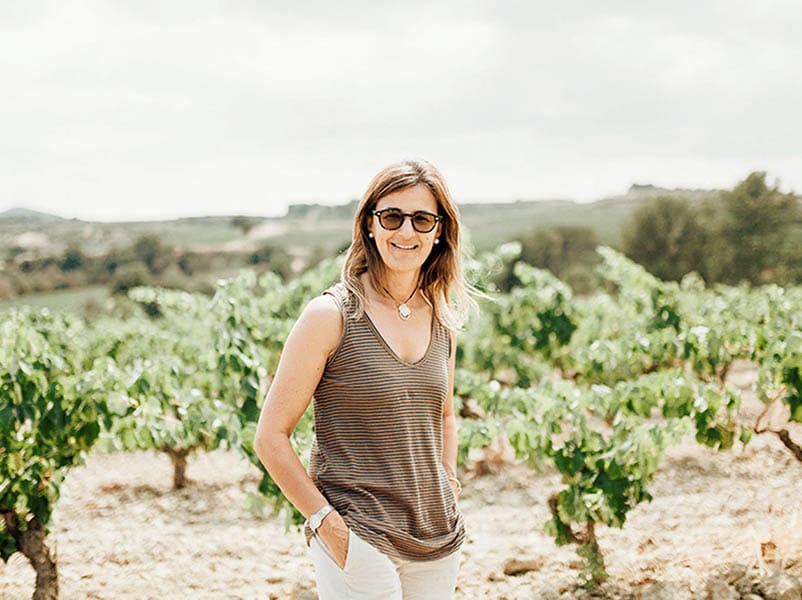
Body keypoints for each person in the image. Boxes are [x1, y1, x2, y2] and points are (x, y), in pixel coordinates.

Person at [253, 159, 474, 599]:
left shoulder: (442, 319)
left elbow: (445, 414)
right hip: (359, 532)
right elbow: (270, 437)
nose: (406, 232)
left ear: (439, 231)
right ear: (369, 225)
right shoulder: (330, 316)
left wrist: (448, 481)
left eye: (422, 219)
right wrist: (326, 524)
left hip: (435, 534)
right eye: (391, 216)